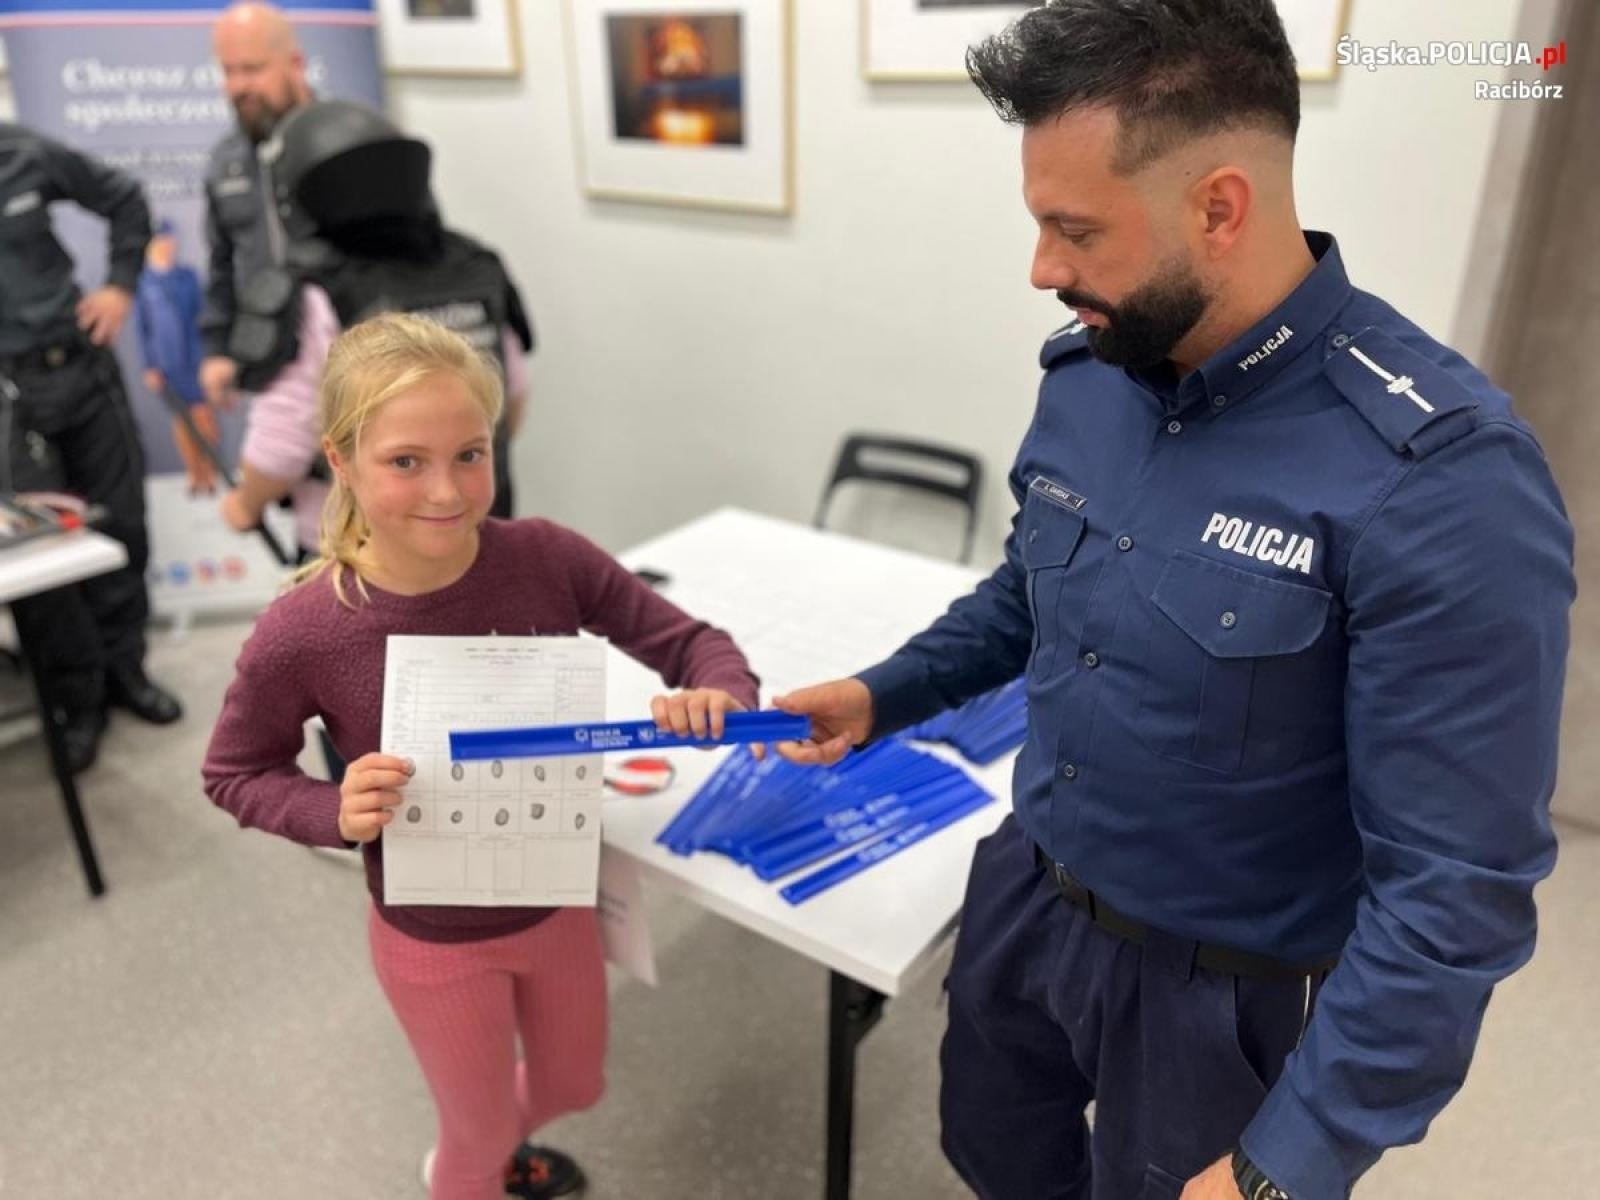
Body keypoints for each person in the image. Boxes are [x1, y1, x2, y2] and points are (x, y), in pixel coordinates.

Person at [772, 3, 1574, 1199]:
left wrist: (1282, 1164)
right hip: (1027, 897)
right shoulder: (1091, 374)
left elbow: (1454, 892)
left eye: (1075, 231)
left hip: (1220, 992)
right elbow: (1029, 593)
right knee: (995, 1160)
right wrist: (881, 695)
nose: (1043, 270)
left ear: (1218, 207)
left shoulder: (1439, 479)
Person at [202, 312, 759, 1200]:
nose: (447, 490)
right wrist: (330, 810)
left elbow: (695, 643)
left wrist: (719, 692)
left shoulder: (544, 558)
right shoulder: (305, 629)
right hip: (434, 940)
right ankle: (470, 1168)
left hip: (554, 902)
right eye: (405, 461)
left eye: (470, 454)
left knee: (578, 1084)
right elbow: (234, 773)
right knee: (481, 1136)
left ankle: (491, 1150)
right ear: (340, 460)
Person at [218, 99, 532, 550]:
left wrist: (246, 504)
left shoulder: (315, 290)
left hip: (361, 553)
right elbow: (509, 397)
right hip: (476, 536)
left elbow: (282, 442)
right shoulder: (476, 267)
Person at [0, 122, 182, 774]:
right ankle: (77, 701)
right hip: (10, 396)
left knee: (121, 524)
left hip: (82, 367)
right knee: (42, 556)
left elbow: (125, 198)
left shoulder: (23, 152)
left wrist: (120, 286)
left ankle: (126, 671)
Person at [200, 0, 312, 410]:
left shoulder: (345, 141)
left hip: (357, 363)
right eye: (228, 71)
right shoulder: (224, 162)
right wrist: (217, 350)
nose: (238, 86)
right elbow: (222, 265)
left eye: (252, 69)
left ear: (295, 64)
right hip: (271, 368)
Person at [136, 218, 219, 493]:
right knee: (182, 422)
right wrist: (150, 365)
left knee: (203, 418)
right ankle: (194, 474)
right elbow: (143, 329)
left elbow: (203, 316)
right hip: (166, 364)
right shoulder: (144, 282)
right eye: (161, 239)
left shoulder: (187, 277)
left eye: (169, 239)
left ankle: (209, 471)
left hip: (194, 359)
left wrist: (208, 355)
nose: (166, 244)